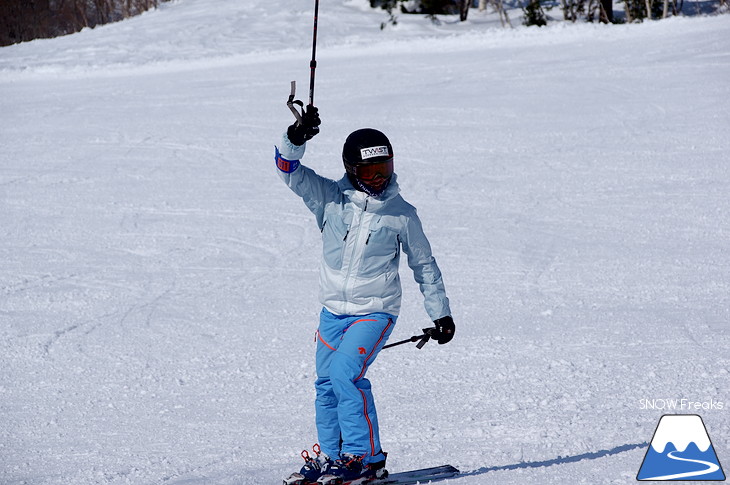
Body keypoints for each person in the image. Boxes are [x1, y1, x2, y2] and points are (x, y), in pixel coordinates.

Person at [278, 105, 455, 485]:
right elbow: (287, 169)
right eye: (369, 172)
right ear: (351, 170)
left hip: (375, 311)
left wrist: (441, 312)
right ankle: (332, 457)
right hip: (332, 311)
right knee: (325, 383)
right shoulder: (329, 198)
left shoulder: (402, 214)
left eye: (385, 171)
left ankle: (365, 458)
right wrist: (295, 138)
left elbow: (423, 264)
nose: (378, 180)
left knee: (345, 375)